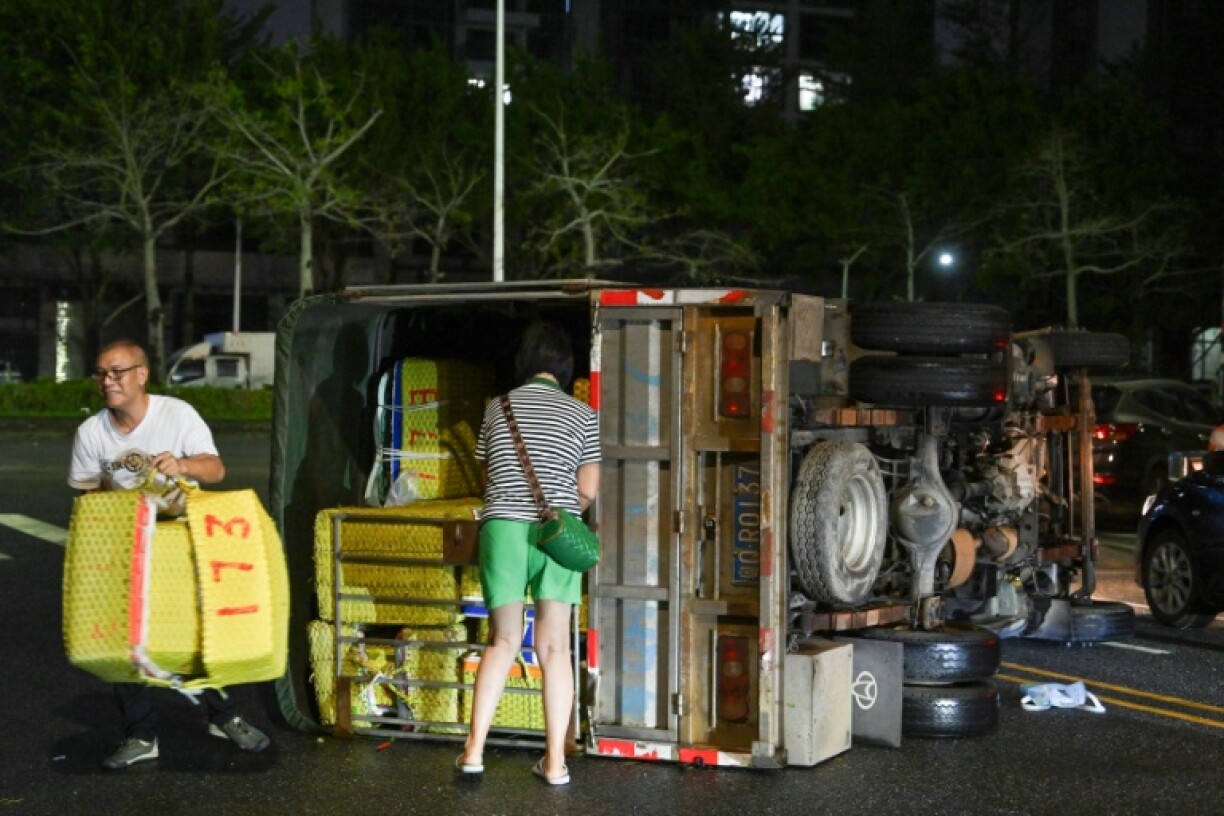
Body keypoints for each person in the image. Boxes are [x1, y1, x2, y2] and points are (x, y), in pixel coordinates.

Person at [67, 340, 271, 770]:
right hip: (127, 543)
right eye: (102, 373)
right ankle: (141, 736)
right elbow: (88, 496)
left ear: (142, 374)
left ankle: (225, 716)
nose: (108, 381)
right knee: (127, 643)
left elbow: (216, 469)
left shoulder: (176, 414)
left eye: (118, 371)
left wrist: (182, 465)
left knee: (200, 634)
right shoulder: (91, 432)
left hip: (183, 538)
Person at [457, 321, 600, 786]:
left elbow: (488, 476)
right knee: (555, 647)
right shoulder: (583, 415)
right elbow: (588, 489)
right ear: (565, 367)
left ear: (524, 363)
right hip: (554, 535)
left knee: (502, 641)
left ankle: (473, 752)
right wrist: (561, 515)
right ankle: (556, 762)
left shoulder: (497, 409)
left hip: (501, 529)